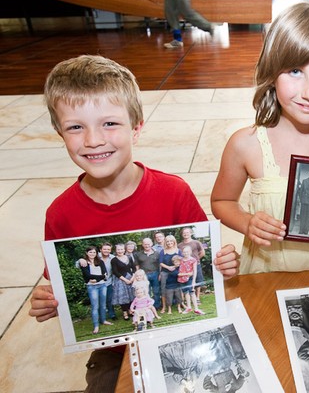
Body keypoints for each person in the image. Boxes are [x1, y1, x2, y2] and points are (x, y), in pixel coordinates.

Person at [28, 55, 239, 393]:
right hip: (115, 350)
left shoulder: (174, 192)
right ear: (59, 132)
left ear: (137, 127)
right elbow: (61, 288)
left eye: (109, 123)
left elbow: (203, 255)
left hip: (181, 335)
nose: (93, 140)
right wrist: (50, 300)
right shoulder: (60, 213)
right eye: (75, 127)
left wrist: (222, 263)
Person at [211, 0, 309, 274]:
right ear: (271, 74)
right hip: (265, 276)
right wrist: (248, 222)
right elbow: (221, 202)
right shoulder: (245, 144)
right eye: (295, 71)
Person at [79, 246, 112, 335]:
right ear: (86, 253)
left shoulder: (100, 261)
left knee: (103, 305)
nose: (92, 254)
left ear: (96, 253)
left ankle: (103, 320)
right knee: (95, 306)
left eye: (94, 252)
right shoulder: (84, 263)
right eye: (90, 252)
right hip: (92, 287)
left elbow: (105, 274)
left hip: (102, 285)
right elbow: (87, 276)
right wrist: (100, 277)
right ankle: (96, 325)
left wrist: (97, 279)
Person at [178, 226, 206, 301]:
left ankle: (197, 297)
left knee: (198, 280)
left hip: (196, 265)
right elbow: (179, 256)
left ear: (191, 233)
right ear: (182, 234)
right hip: (185, 267)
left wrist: (195, 260)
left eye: (187, 232)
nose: (185, 234)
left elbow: (202, 252)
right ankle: (188, 297)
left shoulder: (196, 242)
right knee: (186, 280)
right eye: (184, 233)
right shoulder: (180, 245)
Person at [111, 243, 136, 320]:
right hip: (121, 279)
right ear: (116, 250)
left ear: (124, 249)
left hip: (130, 278)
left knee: (131, 295)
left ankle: (130, 310)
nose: (120, 251)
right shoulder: (114, 260)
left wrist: (132, 278)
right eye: (118, 249)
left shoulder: (129, 257)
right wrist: (125, 280)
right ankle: (124, 312)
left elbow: (134, 268)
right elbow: (115, 272)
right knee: (123, 297)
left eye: (121, 249)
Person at [178, 245, 205, 315]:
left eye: (187, 252)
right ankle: (189, 307)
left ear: (190, 252)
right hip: (182, 279)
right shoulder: (181, 260)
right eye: (184, 252)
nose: (185, 253)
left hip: (189, 279)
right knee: (186, 293)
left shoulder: (193, 260)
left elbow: (195, 271)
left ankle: (196, 308)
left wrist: (193, 281)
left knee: (192, 293)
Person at [135, 238, 161, 308]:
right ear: (143, 245)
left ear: (151, 244)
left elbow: (160, 265)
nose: (147, 246)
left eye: (148, 244)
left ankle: (157, 306)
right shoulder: (138, 254)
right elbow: (137, 265)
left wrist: (160, 274)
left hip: (155, 273)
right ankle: (148, 306)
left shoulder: (157, 253)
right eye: (145, 244)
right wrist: (137, 275)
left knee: (156, 291)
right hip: (144, 275)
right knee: (146, 292)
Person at [159, 234, 182, 313]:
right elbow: (161, 263)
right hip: (165, 273)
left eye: (171, 241)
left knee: (178, 289)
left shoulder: (178, 251)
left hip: (176, 272)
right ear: (165, 242)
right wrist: (168, 267)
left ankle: (180, 304)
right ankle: (164, 307)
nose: (169, 243)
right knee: (163, 290)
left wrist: (175, 267)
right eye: (167, 241)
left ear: (174, 241)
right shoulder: (163, 251)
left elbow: (181, 261)